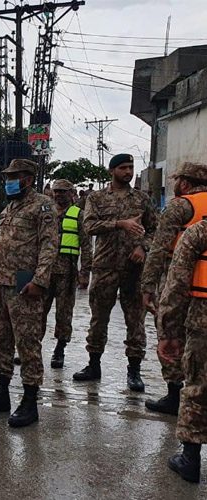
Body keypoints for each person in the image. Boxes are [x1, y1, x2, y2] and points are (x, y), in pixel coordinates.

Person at [0, 159, 59, 427]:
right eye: (8, 176)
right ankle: (1, 394)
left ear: (29, 179)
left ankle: (30, 401)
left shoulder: (42, 206)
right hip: (1, 282)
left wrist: (40, 280)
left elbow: (49, 245)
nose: (10, 181)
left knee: (27, 342)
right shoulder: (9, 208)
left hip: (25, 283)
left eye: (15, 176)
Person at [73, 153, 157, 392]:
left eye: (131, 167)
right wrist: (119, 223)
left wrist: (143, 246)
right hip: (105, 267)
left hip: (134, 270)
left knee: (136, 322)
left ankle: (134, 371)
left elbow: (155, 230)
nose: (128, 172)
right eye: (123, 168)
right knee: (98, 319)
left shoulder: (142, 199)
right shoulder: (97, 198)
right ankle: (93, 365)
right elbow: (88, 227)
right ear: (112, 171)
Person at [142, 162, 207, 415]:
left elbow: (159, 249)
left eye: (177, 180)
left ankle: (174, 394)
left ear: (186, 183)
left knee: (170, 336)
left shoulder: (181, 205)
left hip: (178, 282)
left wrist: (147, 285)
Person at [159, 219, 207, 483]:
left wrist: (169, 331)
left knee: (197, 387)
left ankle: (190, 457)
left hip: (203, 321)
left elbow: (176, 284)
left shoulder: (200, 231)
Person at [43, 179, 92, 369]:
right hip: (45, 272)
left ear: (71, 193)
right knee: (37, 312)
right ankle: (31, 348)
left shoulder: (78, 215)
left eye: (63, 191)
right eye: (56, 191)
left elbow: (86, 245)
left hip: (67, 272)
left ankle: (59, 350)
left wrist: (85, 272)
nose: (58, 195)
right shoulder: (46, 213)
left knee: (64, 314)